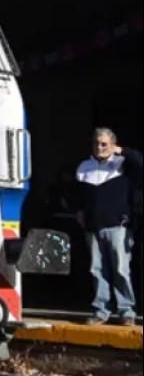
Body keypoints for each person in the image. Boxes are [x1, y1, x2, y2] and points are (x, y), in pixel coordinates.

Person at [76, 128, 141, 325]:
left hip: (118, 227)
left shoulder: (123, 165)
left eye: (104, 144)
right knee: (96, 270)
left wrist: (122, 151)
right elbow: (78, 194)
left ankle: (126, 310)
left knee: (121, 269)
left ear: (112, 144)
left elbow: (141, 163)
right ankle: (100, 310)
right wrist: (79, 213)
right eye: (97, 143)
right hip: (93, 228)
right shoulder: (84, 166)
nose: (100, 147)